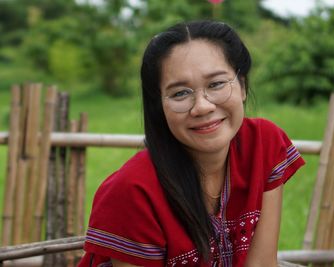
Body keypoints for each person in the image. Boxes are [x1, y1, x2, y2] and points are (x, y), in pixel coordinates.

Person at [78, 20, 305, 267]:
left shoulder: (264, 144)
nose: (202, 107)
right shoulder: (133, 191)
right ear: (159, 106)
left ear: (242, 86)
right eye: (180, 93)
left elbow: (261, 264)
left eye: (216, 84)